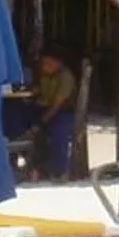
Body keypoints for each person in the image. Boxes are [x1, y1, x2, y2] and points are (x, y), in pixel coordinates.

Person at [26, 47, 77, 178]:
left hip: (62, 112)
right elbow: (37, 91)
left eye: (48, 63)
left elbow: (57, 104)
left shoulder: (66, 77)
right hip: (42, 107)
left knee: (59, 133)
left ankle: (58, 170)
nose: (44, 66)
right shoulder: (42, 74)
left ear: (58, 63)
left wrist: (42, 122)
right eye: (43, 63)